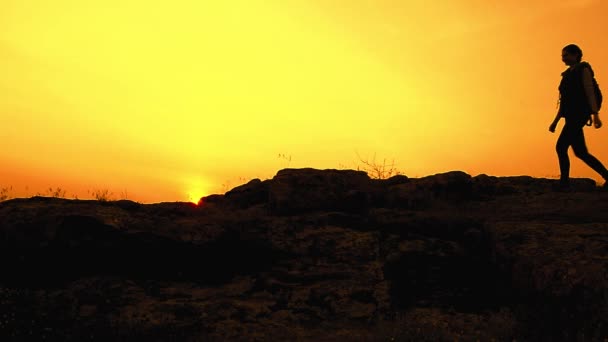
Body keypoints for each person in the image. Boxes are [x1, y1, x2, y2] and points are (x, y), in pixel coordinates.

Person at [549, 44, 608, 190]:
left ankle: (564, 184)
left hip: (579, 115)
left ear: (576, 55)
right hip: (570, 116)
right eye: (562, 56)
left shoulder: (583, 69)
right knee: (581, 152)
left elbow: (589, 92)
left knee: (561, 147)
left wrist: (595, 114)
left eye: (566, 55)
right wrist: (555, 121)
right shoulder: (567, 75)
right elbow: (564, 101)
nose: (563, 58)